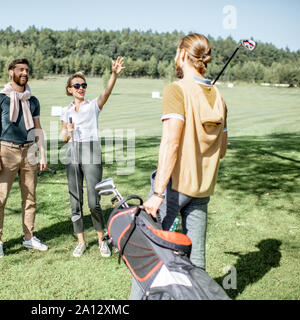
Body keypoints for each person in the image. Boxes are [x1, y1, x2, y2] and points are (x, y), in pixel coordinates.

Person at [130, 33, 228, 298]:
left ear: (183, 54)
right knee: (196, 261)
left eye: (177, 52)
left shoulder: (176, 89)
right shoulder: (219, 96)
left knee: (147, 256)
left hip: (172, 189)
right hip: (202, 189)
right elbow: (222, 151)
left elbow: (171, 144)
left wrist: (158, 193)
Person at [60, 57, 125, 258]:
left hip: (91, 151)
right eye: (77, 85)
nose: (81, 88)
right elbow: (63, 138)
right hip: (72, 152)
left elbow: (106, 93)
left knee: (92, 201)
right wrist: (68, 131)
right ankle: (80, 241)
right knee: (75, 200)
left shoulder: (92, 106)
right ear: (69, 89)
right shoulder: (66, 111)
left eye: (83, 85)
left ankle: (101, 240)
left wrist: (114, 74)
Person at [0, 58, 48, 258]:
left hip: (30, 151)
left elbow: (38, 128)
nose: (24, 73)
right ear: (10, 72)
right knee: (0, 198)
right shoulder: (0, 98)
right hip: (7, 151)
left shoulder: (33, 100)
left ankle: (29, 237)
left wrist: (42, 152)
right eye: (20, 70)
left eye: (27, 70)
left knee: (30, 197)